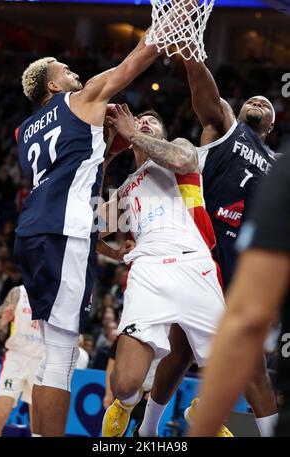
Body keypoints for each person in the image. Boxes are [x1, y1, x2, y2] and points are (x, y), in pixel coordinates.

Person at [13, 29, 162, 437]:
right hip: (62, 233)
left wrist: (106, 148)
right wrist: (168, 23)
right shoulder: (81, 98)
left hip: (32, 232)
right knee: (63, 355)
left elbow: (77, 174)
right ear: (53, 85)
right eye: (65, 69)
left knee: (51, 353)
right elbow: (135, 63)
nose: (74, 71)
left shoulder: (24, 132)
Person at [138, 58, 278, 437]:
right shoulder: (223, 128)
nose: (260, 104)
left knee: (187, 350)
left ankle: (147, 431)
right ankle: (148, 431)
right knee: (195, 352)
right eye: (253, 100)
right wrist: (191, 55)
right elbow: (204, 89)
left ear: (272, 125)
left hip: (240, 266)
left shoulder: (276, 164)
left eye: (267, 105)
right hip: (202, 248)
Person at [99, 104, 230, 437]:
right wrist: (106, 160)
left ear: (162, 133)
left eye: (152, 122)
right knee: (126, 383)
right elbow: (91, 230)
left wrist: (131, 133)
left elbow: (182, 160)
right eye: (139, 121)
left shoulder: (180, 151)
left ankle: (201, 412)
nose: (144, 123)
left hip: (193, 261)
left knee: (234, 372)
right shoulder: (125, 189)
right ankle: (126, 405)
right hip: (148, 268)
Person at [189, 150, 290, 437]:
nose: (259, 100)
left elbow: (249, 320)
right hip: (211, 270)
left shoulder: (282, 171)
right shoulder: (230, 141)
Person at [0, 285, 44, 437]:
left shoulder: (56, 294)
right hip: (16, 358)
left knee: (38, 429)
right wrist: (2, 321)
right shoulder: (18, 292)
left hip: (41, 362)